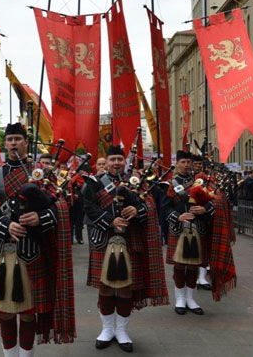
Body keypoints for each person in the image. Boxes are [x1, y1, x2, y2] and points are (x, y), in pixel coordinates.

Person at [0, 123, 75, 356]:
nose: (13, 143)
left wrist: (42, 217)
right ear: (4, 143)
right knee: (6, 310)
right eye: (9, 139)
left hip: (33, 251)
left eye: (17, 139)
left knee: (29, 310)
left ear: (26, 143)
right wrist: (6, 225)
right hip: (1, 249)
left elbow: (63, 204)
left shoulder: (42, 173)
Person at [83, 145, 168, 352]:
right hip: (104, 240)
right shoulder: (94, 184)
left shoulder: (136, 181)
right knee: (105, 286)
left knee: (125, 287)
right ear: (106, 162)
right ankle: (106, 329)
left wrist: (137, 209)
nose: (116, 163)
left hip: (130, 241)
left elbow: (150, 205)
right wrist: (111, 221)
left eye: (120, 159)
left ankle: (121, 331)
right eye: (112, 159)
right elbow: (88, 207)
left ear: (125, 162)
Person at [161, 150, 213, 316]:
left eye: (188, 162)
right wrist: (178, 216)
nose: (185, 165)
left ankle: (191, 299)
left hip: (198, 228)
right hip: (178, 229)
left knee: (193, 266)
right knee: (179, 266)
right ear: (177, 163)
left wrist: (204, 209)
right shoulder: (169, 183)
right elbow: (164, 207)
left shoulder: (202, 182)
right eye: (182, 162)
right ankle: (180, 299)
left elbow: (215, 201)